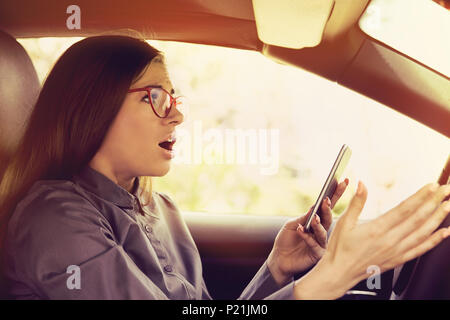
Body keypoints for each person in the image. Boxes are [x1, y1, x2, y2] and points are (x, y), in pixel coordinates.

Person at [0, 36, 449, 300]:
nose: (176, 115)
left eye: (175, 99)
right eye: (155, 96)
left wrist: (275, 270)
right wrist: (328, 278)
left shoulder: (162, 210)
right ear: (92, 105)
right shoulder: (51, 219)